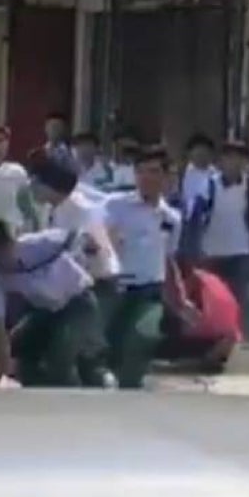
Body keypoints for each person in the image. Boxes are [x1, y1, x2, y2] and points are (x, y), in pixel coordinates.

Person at [0, 220, 104, 388]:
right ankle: (40, 399)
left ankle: (77, 400)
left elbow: (81, 234)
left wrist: (92, 254)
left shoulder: (39, 243)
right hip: (45, 312)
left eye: (1, 252)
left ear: (12, 244)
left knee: (59, 358)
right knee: (19, 349)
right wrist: (0, 375)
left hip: (79, 303)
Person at [27, 150, 117, 383]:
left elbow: (91, 255)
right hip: (65, 288)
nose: (31, 184)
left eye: (36, 180)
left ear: (51, 185)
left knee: (67, 351)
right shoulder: (53, 205)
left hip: (95, 286)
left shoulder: (81, 211)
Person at [103, 145, 183, 389]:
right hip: (117, 288)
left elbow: (169, 258)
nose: (146, 178)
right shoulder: (116, 205)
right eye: (141, 172)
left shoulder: (171, 217)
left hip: (150, 290)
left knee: (142, 335)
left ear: (166, 177)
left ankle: (131, 387)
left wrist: (180, 298)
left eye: (154, 172)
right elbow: (100, 238)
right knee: (110, 343)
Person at [189, 138, 249, 314]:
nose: (234, 163)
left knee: (237, 298)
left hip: (241, 250)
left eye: (239, 158)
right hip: (212, 251)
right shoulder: (208, 185)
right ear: (221, 161)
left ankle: (234, 335)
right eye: (229, 158)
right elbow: (196, 218)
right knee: (211, 297)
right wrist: (195, 250)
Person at [180, 133, 217, 216]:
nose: (201, 157)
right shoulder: (181, 174)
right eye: (198, 153)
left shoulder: (216, 176)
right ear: (189, 154)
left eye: (204, 153)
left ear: (211, 154)